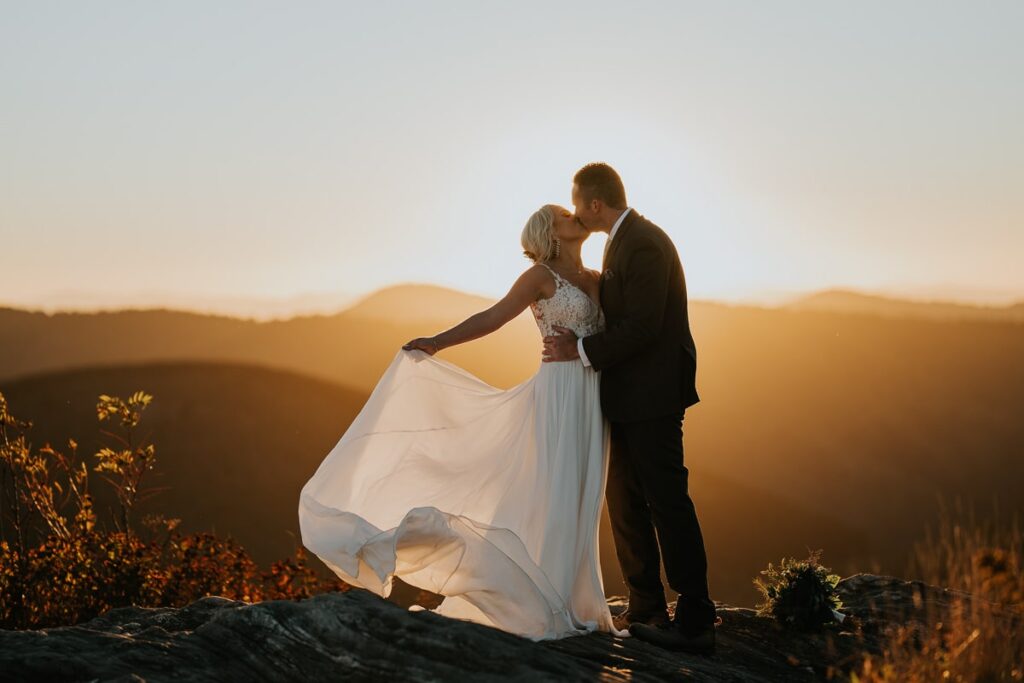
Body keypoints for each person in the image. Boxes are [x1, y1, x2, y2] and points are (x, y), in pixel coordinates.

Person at [298, 202, 627, 641]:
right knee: (561, 488)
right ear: (550, 232)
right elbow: (493, 316)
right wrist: (438, 342)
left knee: (586, 492)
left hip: (592, 394)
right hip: (560, 393)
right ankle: (556, 602)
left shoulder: (595, 278)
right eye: (563, 214)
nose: (574, 216)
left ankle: (581, 598)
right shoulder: (539, 277)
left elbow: (618, 332)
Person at [542, 162, 720, 654]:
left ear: (595, 204)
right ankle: (645, 607)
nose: (576, 212)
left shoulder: (644, 241)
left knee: (667, 500)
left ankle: (696, 619)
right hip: (623, 394)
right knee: (624, 500)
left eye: (578, 203)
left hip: (654, 395)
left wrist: (577, 353)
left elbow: (643, 326)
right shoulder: (619, 242)